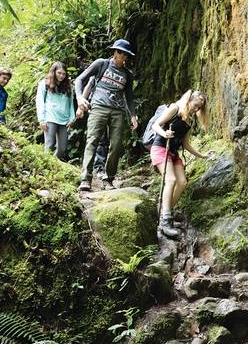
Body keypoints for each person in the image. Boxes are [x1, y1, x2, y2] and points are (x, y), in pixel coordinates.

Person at [74, 39, 138, 191]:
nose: (124, 57)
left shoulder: (127, 75)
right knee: (92, 141)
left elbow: (129, 97)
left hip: (118, 111)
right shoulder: (101, 64)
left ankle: (108, 179)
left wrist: (133, 116)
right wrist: (80, 98)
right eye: (121, 53)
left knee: (116, 145)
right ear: (115, 52)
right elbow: (80, 79)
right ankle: (85, 179)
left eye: (126, 55)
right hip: (98, 107)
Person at [151, 90, 215, 238]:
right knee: (171, 180)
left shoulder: (189, 120)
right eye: (195, 105)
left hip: (173, 153)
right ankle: (165, 222)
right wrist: (164, 133)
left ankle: (165, 213)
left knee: (182, 182)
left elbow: (186, 144)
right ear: (189, 100)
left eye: (199, 108)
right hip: (161, 148)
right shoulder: (175, 108)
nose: (196, 109)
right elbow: (156, 125)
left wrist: (203, 155)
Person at [36, 61, 75, 159]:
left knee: (62, 148)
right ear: (54, 72)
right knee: (49, 145)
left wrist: (71, 119)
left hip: (64, 120)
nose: (61, 76)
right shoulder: (45, 84)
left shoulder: (68, 86)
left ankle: (54, 165)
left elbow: (71, 104)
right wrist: (41, 120)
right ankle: (45, 169)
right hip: (50, 118)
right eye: (59, 73)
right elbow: (40, 102)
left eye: (64, 74)